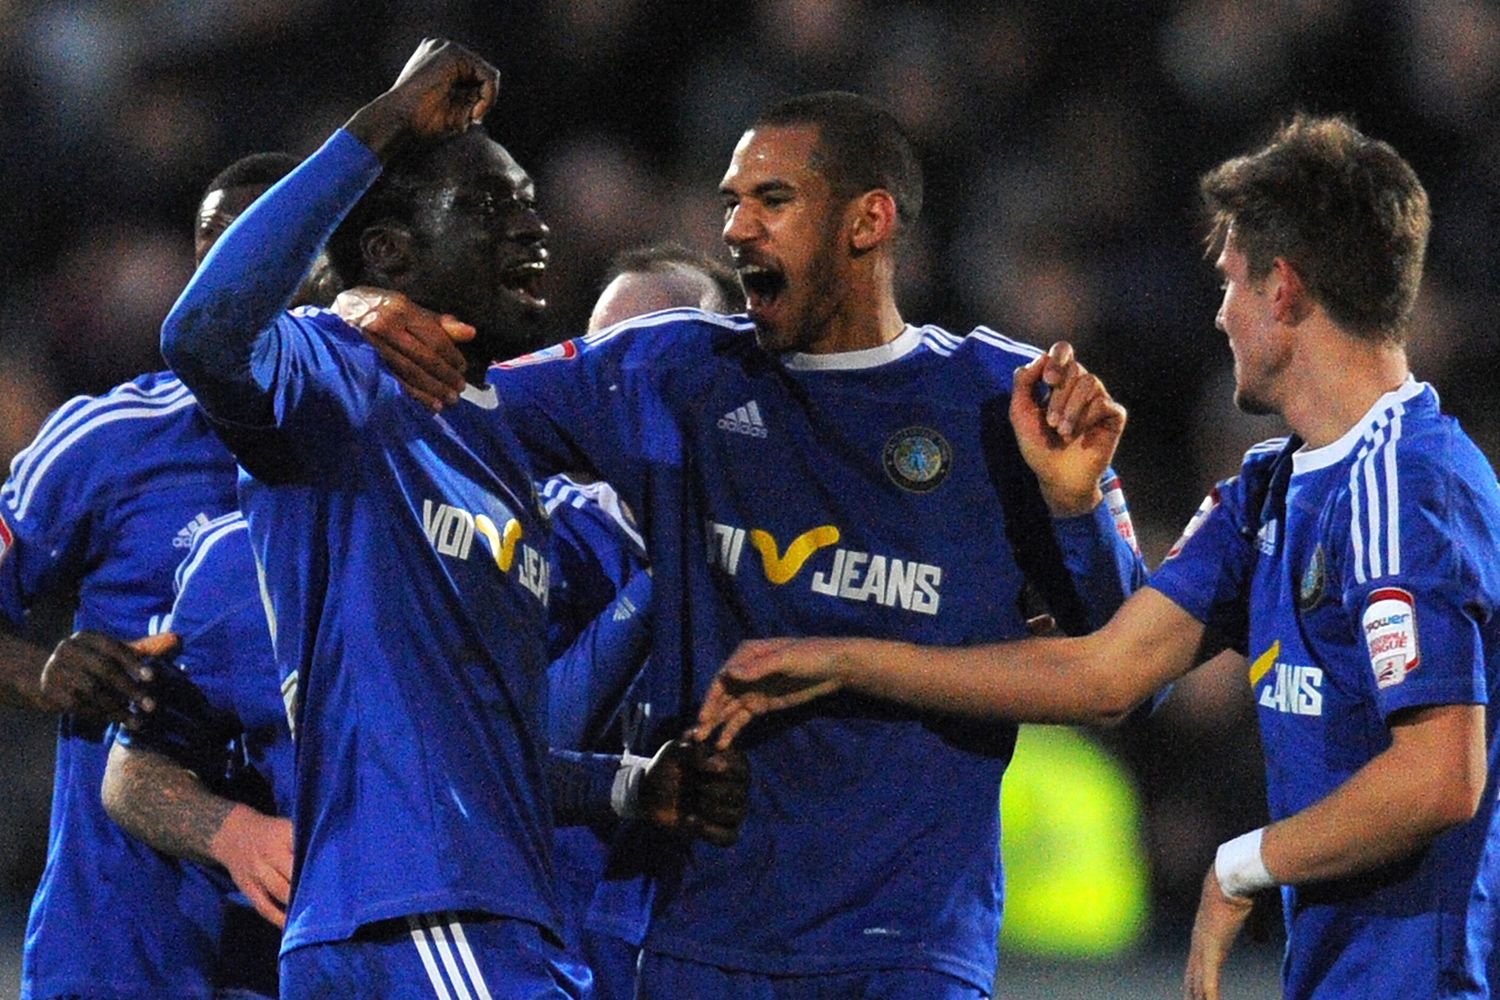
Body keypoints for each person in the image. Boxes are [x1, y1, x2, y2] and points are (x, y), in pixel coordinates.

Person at [353, 88, 1144, 998]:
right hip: (701, 934)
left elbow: (1124, 677)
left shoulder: (1002, 401)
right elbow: (427, 407)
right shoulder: (670, 373)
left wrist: (1075, 507)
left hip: (907, 949)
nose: (735, 229)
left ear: (868, 220)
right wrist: (366, 311)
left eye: (771, 200)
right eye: (730, 201)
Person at [692, 115, 1500, 1000]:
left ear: (1285, 290)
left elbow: (1439, 776)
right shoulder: (1270, 489)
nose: (1219, 312)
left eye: (1231, 282)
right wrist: (1062, 512)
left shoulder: (1405, 480)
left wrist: (1245, 864)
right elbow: (1107, 674)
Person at [159, 40, 746, 998]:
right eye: (489, 207)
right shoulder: (343, 381)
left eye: (528, 203)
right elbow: (202, 332)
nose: (532, 229)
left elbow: (491, 742)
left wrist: (630, 786)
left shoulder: (507, 448)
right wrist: (386, 117)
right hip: (419, 909)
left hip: (467, 911)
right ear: (390, 252)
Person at [0, 150, 325, 1000]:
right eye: (223, 252)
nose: (247, 280)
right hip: (118, 946)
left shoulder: (389, 455)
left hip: (323, 939)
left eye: (280, 252)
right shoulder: (105, 442)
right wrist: (40, 670)